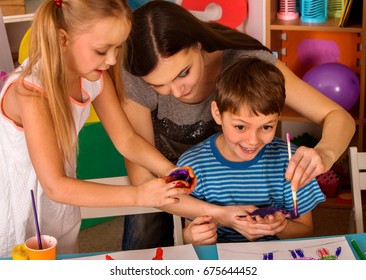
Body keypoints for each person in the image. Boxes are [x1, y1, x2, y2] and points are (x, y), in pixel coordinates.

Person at [121, 1, 354, 249]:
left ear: (197, 44)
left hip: (237, 174)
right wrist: (216, 214)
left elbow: (337, 115)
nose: (177, 91)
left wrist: (325, 152)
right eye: (159, 85)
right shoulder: (138, 73)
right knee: (143, 248)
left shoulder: (248, 64)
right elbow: (143, 181)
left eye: (183, 73)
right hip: (163, 178)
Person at [0, 0, 191, 258]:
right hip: (15, 207)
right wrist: (140, 196)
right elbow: (55, 185)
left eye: (118, 47)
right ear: (62, 39)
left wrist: (170, 171)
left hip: (57, 203)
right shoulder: (31, 92)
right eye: (102, 50)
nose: (112, 59)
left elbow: (126, 139)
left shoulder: (93, 76)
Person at [180, 56, 325, 245]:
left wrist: (281, 227)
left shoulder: (292, 162)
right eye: (240, 127)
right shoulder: (192, 165)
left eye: (266, 127)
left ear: (277, 118)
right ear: (217, 113)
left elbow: (305, 230)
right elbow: (189, 233)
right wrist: (194, 236)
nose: (253, 140)